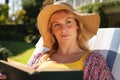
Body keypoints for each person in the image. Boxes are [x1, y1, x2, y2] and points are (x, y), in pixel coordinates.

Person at [0, 2, 114, 80]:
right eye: (57, 24)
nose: (63, 29)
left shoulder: (95, 61)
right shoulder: (40, 57)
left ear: (77, 25)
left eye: (68, 22)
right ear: (52, 30)